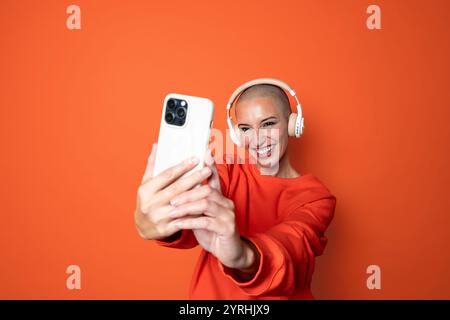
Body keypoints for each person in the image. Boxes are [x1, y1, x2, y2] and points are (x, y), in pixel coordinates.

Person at [134, 80, 336, 299]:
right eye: (246, 128)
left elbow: (294, 244)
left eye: (268, 124)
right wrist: (162, 219)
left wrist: (243, 257)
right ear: (236, 134)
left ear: (292, 125)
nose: (257, 139)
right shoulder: (225, 173)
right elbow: (191, 214)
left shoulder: (316, 197)